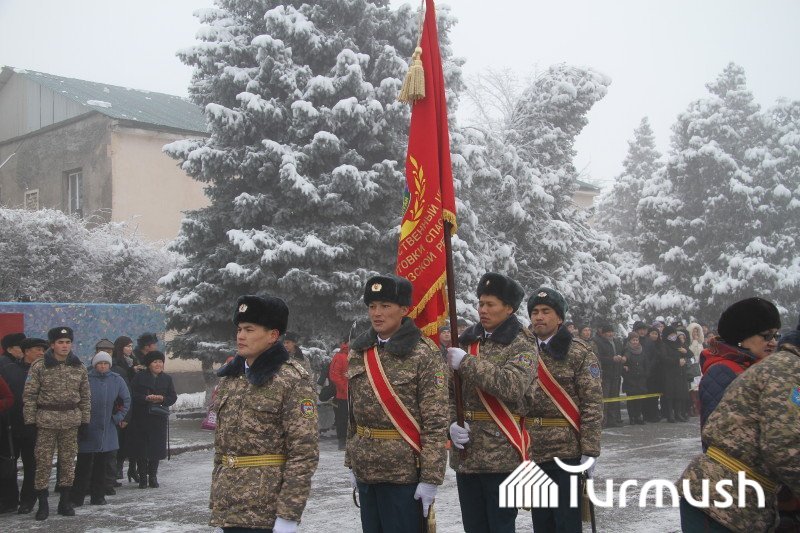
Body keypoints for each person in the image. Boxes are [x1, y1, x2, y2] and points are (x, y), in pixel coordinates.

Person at [346, 275, 448, 533]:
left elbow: (436, 421)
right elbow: (354, 414)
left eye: (385, 306)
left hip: (403, 473)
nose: (377, 313)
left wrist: (431, 478)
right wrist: (351, 461)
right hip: (366, 469)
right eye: (372, 306)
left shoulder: (423, 353)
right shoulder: (359, 350)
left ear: (404, 310)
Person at [210, 294, 319, 533]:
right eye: (239, 329)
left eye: (249, 329)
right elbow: (223, 448)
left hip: (265, 510)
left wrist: (288, 515)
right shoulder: (231, 378)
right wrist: (219, 514)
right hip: (229, 509)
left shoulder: (291, 379)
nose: (241, 336)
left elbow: (304, 452)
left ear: (273, 335)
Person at [679, 327, 800, 532]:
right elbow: (784, 445)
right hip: (722, 500)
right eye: (766, 335)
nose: (771, 341)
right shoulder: (788, 370)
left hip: (740, 500)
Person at [447, 272, 537, 533]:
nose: (483, 310)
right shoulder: (467, 341)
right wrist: (451, 424)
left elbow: (512, 386)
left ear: (509, 308)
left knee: (500, 527)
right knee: (473, 527)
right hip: (467, 454)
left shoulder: (522, 342)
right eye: (481, 303)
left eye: (490, 304)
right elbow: (450, 394)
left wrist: (467, 362)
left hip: (502, 453)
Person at [525, 287, 602, 532]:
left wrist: (590, 450)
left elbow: (592, 404)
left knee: (566, 523)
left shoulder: (579, 351)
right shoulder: (521, 349)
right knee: (542, 523)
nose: (539, 317)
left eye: (546, 311)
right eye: (535, 312)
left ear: (559, 318)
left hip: (567, 451)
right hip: (532, 449)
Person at [23, 327, 91, 520]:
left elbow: (85, 397)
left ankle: (64, 502)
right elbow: (29, 396)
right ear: (52, 345)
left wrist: (85, 421)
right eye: (60, 342)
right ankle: (43, 504)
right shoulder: (39, 366)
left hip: (71, 421)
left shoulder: (79, 366)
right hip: (46, 422)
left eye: (68, 342)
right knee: (43, 463)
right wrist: (30, 422)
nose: (64, 346)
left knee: (68, 463)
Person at [699, 297, 781, 434]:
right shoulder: (722, 372)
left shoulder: (759, 366)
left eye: (776, 336)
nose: (773, 342)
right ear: (741, 336)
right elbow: (718, 434)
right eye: (767, 336)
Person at [71, 351, 130, 506]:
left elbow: (125, 400)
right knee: (83, 465)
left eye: (105, 364)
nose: (103, 366)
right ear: (94, 365)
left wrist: (117, 417)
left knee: (101, 465)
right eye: (100, 364)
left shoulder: (116, 380)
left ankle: (98, 496)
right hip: (87, 428)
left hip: (107, 428)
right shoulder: (86, 378)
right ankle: (77, 497)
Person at [0, 337, 46, 514]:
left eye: (43, 349)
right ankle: (9, 500)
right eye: (37, 349)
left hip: (34, 425)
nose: (41, 352)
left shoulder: (46, 371)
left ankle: (28, 499)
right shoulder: (10, 369)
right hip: (11, 425)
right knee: (9, 464)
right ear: (26, 351)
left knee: (31, 464)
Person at [126, 350, 176, 489]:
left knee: (155, 449)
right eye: (155, 362)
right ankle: (142, 478)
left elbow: (172, 397)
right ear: (149, 364)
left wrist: (162, 399)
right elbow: (132, 394)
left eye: (160, 362)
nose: (158, 364)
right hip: (141, 418)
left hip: (158, 419)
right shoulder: (139, 377)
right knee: (142, 449)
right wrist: (145, 398)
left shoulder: (167, 379)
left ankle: (153, 476)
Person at [110, 336, 137, 483]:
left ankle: (120, 468)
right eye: (127, 346)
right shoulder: (116, 363)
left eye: (131, 346)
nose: (130, 349)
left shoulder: (132, 361)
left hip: (130, 406)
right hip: (120, 407)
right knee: (118, 440)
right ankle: (114, 471)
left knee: (126, 440)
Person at [659, 325, 691, 423]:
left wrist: (685, 352)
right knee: (670, 394)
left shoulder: (678, 343)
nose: (673, 336)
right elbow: (664, 358)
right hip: (669, 373)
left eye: (674, 334)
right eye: (671, 334)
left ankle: (678, 413)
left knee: (679, 393)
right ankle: (670, 414)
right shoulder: (664, 345)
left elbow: (690, 354)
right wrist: (677, 361)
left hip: (680, 372)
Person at [595, 324, 624, 428]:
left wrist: (622, 358)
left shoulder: (617, 342)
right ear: (603, 333)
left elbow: (623, 352)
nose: (610, 334)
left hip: (616, 374)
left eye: (612, 332)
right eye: (608, 332)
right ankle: (603, 421)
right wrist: (612, 359)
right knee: (605, 399)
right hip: (606, 375)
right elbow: (599, 358)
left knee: (614, 398)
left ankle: (612, 420)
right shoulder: (599, 343)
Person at [622, 332, 647, 425]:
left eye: (637, 340)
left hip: (640, 378)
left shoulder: (642, 350)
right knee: (631, 399)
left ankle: (638, 416)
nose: (635, 342)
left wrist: (645, 373)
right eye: (633, 340)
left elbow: (646, 362)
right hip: (630, 378)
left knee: (639, 399)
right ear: (629, 341)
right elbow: (624, 361)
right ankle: (631, 417)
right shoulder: (626, 350)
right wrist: (624, 367)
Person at [328, 341, 349, 451]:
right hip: (343, 395)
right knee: (342, 418)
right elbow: (334, 375)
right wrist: (345, 388)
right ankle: (342, 440)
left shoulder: (357, 354)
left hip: (355, 395)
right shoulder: (340, 356)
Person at [642, 326, 664, 423]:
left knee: (655, 395)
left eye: (656, 334)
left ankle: (655, 413)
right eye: (652, 333)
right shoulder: (646, 343)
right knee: (648, 394)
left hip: (658, 373)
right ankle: (648, 414)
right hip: (649, 372)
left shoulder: (661, 344)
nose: (654, 336)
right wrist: (649, 368)